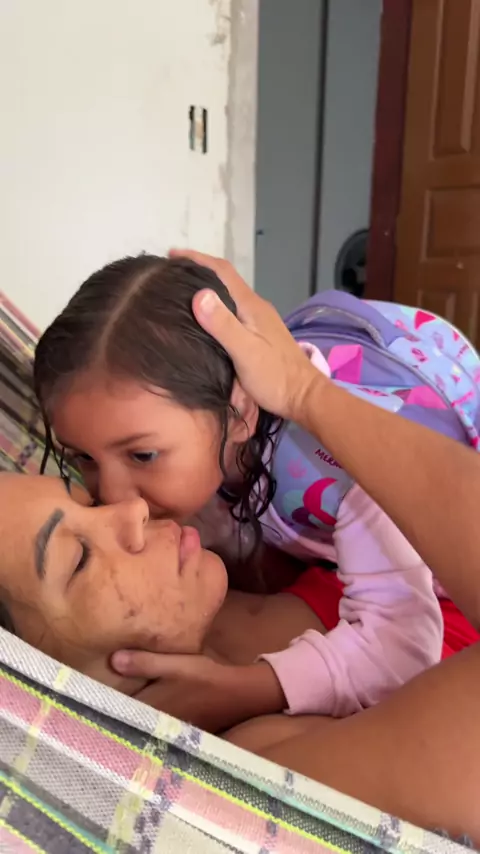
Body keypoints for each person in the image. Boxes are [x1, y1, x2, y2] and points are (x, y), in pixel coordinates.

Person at [111, 249, 480, 845]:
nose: (115, 503)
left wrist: (307, 394)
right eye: (77, 553)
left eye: (142, 455)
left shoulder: (295, 516)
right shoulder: (258, 750)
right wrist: (307, 393)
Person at [32, 253, 458, 725]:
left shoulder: (341, 470)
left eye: (143, 455)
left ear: (240, 414)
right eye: (84, 458)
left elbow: (405, 646)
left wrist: (248, 688)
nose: (115, 498)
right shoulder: (188, 443)